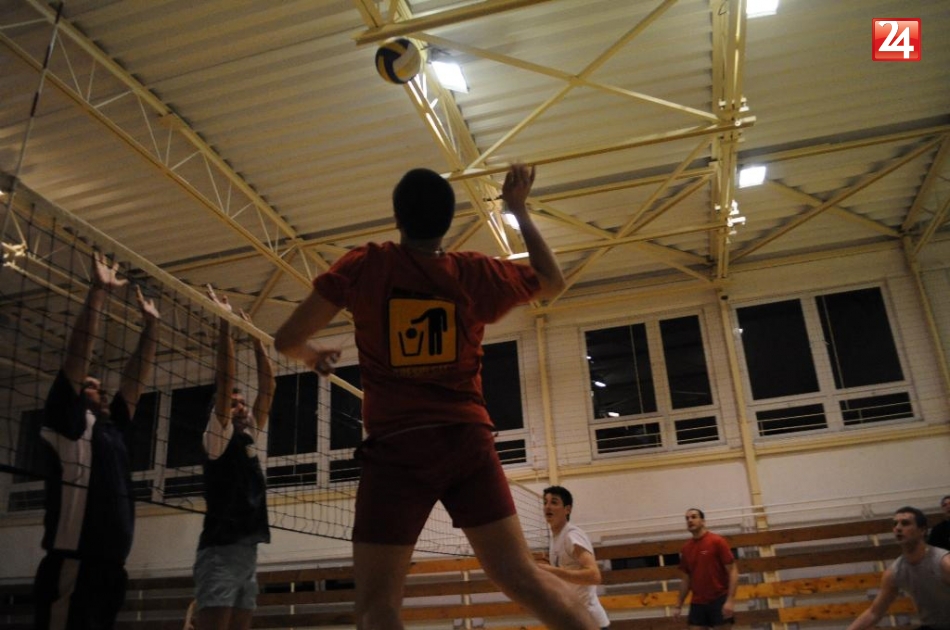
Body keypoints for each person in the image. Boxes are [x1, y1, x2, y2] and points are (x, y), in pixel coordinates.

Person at [274, 164, 597, 630]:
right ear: (447, 221)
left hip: (397, 449)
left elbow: (287, 338)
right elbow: (553, 279)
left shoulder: (366, 264)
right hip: (466, 442)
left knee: (377, 606)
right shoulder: (473, 272)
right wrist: (517, 209)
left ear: (396, 216)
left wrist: (312, 355)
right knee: (523, 577)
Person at [33, 251, 160, 630]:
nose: (99, 388)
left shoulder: (111, 429)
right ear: (74, 396)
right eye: (90, 386)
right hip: (74, 563)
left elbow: (134, 383)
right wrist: (99, 293)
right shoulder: (67, 423)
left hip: (111, 568)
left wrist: (151, 328)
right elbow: (76, 358)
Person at [192, 287, 275, 630]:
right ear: (221, 410)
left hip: (248, 551)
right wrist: (225, 323)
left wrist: (256, 339)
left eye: (242, 403)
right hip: (220, 551)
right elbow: (225, 381)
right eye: (234, 403)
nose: (241, 407)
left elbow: (269, 388)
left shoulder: (248, 435)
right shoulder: (216, 438)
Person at [847, 506, 950, 630]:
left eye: (905, 523)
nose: (898, 528)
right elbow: (874, 612)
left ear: (922, 530)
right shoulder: (895, 572)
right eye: (895, 524)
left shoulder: (943, 562)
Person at [540, 486, 610, 630]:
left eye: (554, 502)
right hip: (575, 619)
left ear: (567, 509)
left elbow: (594, 576)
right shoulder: (556, 536)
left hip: (590, 621)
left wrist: (552, 571)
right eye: (545, 502)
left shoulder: (572, 535)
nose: (548, 506)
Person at [674, 508, 739, 630]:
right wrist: (678, 605)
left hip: (718, 598)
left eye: (694, 517)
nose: (690, 520)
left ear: (703, 521)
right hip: (697, 602)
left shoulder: (717, 541)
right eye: (687, 518)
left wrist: (730, 600)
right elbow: (686, 579)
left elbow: (733, 571)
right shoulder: (686, 549)